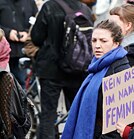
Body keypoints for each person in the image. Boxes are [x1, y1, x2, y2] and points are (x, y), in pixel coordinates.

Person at [30, 0, 93, 138]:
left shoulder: (49, 7)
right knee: (76, 113)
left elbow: (37, 38)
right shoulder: (84, 9)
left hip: (50, 69)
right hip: (77, 67)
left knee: (48, 114)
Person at [62, 20, 130, 139]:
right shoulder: (96, 66)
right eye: (94, 40)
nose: (97, 45)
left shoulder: (120, 71)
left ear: (116, 43)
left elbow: (118, 123)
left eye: (103, 41)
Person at [0, 0, 38, 88]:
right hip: (4, 53)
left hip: (24, 51)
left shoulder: (29, 2)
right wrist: (8, 33)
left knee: (21, 84)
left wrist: (27, 33)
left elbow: (37, 22)